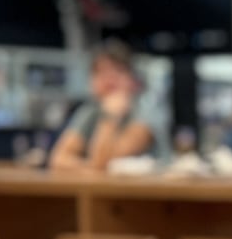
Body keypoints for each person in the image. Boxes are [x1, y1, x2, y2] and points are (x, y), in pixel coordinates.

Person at [49, 42, 162, 171]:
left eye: (117, 71)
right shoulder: (90, 111)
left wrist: (110, 116)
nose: (109, 79)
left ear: (133, 80)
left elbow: (102, 163)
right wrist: (90, 167)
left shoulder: (144, 111)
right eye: (100, 71)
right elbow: (58, 159)